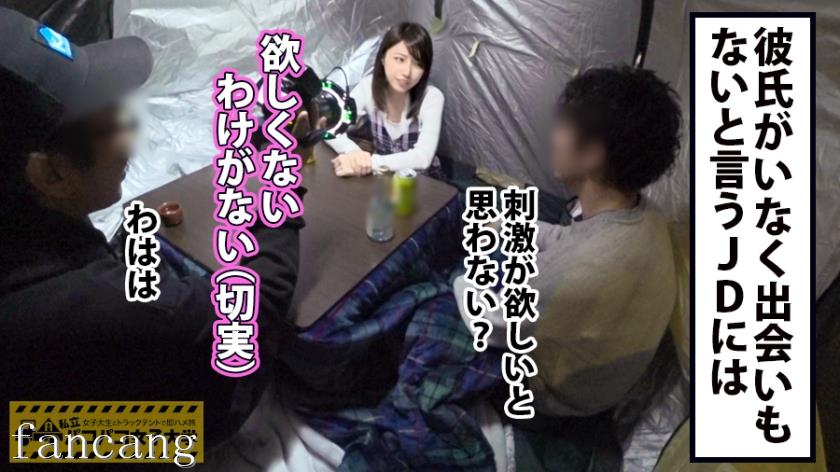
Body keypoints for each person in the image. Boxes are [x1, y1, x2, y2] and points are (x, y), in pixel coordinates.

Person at [0, 8, 304, 452]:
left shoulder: (23, 210)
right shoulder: (109, 307)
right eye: (111, 123)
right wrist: (279, 178)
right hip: (54, 439)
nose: (131, 131)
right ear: (50, 174)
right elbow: (257, 305)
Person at [454, 65, 681, 418]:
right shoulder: (647, 216)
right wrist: (508, 226)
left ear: (591, 154)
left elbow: (489, 322)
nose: (554, 137)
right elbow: (571, 237)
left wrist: (459, 278)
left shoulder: (574, 274)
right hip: (602, 367)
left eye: (563, 126)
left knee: (446, 292)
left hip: (554, 399)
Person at [329, 22, 444, 177]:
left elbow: (423, 157)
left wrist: (370, 163)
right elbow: (331, 127)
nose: (407, 72)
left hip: (423, 182)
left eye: (418, 64)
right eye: (400, 59)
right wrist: (354, 153)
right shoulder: (368, 87)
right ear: (383, 58)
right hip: (382, 179)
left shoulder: (431, 97)